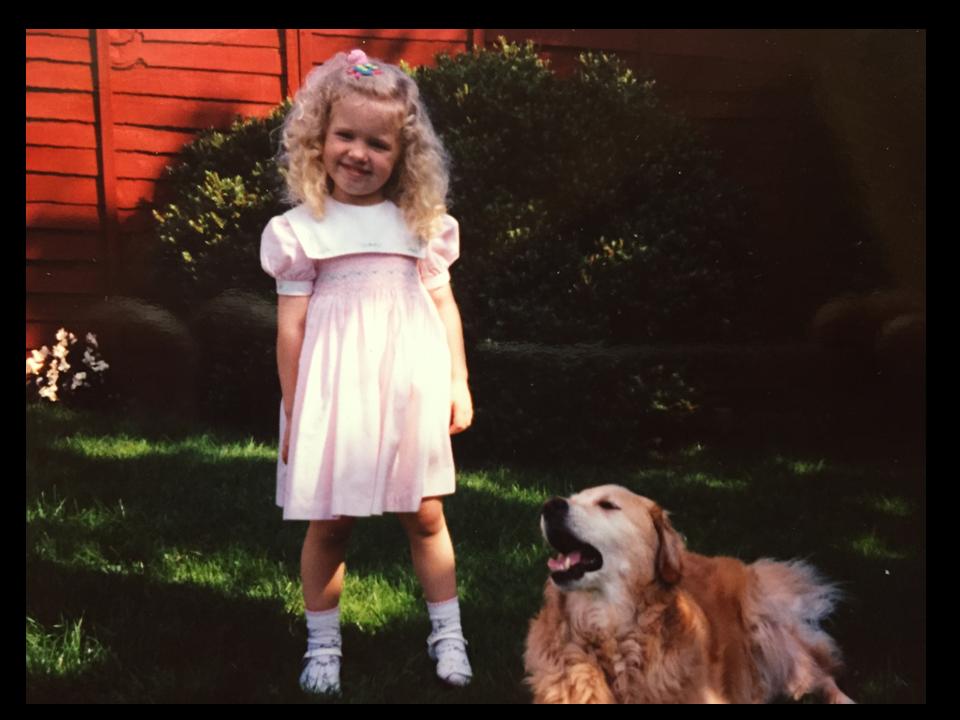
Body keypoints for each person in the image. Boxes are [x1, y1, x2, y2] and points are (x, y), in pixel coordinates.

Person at [260, 49, 474, 695]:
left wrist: (458, 382)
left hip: (408, 388)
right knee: (330, 524)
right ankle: (324, 645)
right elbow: (292, 330)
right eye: (345, 136)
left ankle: (448, 635)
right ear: (318, 140)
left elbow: (443, 306)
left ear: (402, 156)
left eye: (378, 144)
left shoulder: (420, 226)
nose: (358, 153)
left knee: (426, 515)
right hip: (333, 394)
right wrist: (296, 411)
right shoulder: (301, 230)